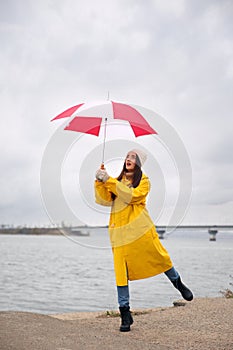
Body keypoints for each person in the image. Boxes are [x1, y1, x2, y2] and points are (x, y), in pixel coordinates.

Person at [94, 149, 193, 332]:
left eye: (133, 157)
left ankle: (178, 283)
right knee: (120, 272)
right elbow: (103, 200)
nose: (128, 159)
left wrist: (108, 180)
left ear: (139, 163)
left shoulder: (144, 181)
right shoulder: (116, 181)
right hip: (120, 235)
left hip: (140, 231)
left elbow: (132, 196)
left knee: (159, 256)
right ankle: (125, 313)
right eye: (127, 156)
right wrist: (99, 181)